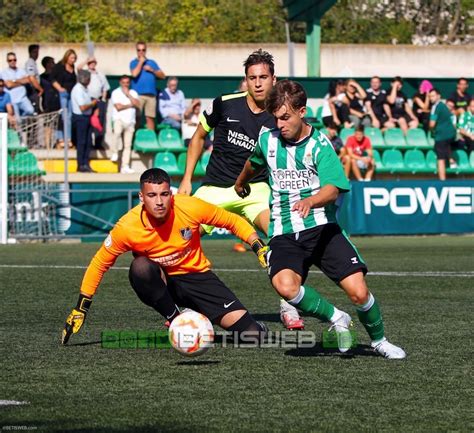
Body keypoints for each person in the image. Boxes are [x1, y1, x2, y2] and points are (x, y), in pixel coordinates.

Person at [235, 80, 406, 359]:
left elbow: (333, 187)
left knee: (359, 293)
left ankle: (379, 341)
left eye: (286, 117)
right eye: (276, 118)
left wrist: (311, 200)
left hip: (322, 228)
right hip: (284, 231)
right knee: (285, 286)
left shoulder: (319, 144)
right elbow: (254, 161)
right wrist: (241, 182)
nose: (280, 124)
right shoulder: (268, 139)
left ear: (302, 112)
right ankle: (337, 317)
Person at [61, 168, 269, 345]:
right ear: (142, 198)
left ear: (171, 194)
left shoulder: (189, 206)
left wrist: (257, 244)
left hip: (198, 277)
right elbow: (100, 263)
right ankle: (176, 319)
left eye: (164, 194)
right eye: (152, 195)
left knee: (253, 336)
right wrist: (81, 307)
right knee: (140, 267)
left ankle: (202, 314)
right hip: (164, 281)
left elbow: (231, 221)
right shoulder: (126, 227)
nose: (159, 201)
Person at [178, 49, 304, 331]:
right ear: (245, 80)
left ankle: (289, 304)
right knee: (180, 238)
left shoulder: (281, 116)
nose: (257, 83)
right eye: (252, 78)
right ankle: (181, 305)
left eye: (263, 77)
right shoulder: (224, 104)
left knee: (282, 235)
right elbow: (198, 137)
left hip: (255, 189)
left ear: (274, 79)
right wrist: (187, 178)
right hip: (213, 188)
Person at [130, 41, 166, 131]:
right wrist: (141, 62)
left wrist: (152, 70)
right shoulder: (133, 62)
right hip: (138, 95)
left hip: (151, 95)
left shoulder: (152, 62)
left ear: (146, 50)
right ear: (136, 51)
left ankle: (151, 139)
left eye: (143, 50)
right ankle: (134, 139)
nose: (141, 52)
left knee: (150, 118)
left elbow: (163, 76)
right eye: (139, 50)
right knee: (137, 118)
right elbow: (134, 74)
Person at [110, 75, 140, 174]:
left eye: (127, 82)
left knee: (128, 145)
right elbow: (118, 107)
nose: (125, 85)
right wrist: (131, 104)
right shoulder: (115, 92)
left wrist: (129, 96)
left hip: (130, 121)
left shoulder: (133, 93)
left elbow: (137, 104)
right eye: (123, 82)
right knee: (117, 134)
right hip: (119, 119)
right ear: (120, 83)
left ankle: (125, 166)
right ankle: (114, 152)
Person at [78, 56, 110, 149]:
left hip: (98, 100)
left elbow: (105, 88)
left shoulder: (100, 74)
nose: (92, 63)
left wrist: (103, 99)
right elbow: (79, 68)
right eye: (90, 62)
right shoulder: (85, 73)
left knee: (99, 122)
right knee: (88, 121)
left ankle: (98, 143)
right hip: (88, 100)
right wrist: (86, 60)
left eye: (93, 62)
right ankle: (88, 142)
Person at [71, 69, 97, 173]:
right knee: (81, 142)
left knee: (88, 141)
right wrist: (93, 104)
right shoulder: (78, 89)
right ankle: (81, 164)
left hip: (86, 117)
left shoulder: (85, 89)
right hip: (80, 118)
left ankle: (86, 163)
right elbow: (82, 107)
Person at [429, 88, 457, 181]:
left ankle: (442, 181)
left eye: (433, 96)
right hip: (451, 134)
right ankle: (451, 160)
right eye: (430, 96)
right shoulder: (444, 106)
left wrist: (431, 130)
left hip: (441, 136)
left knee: (440, 159)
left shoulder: (435, 107)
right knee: (445, 146)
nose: (431, 98)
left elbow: (432, 124)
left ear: (438, 96)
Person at [51, 49, 77, 148]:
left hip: (71, 94)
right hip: (62, 94)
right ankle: (61, 138)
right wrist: (60, 88)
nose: (73, 60)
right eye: (71, 58)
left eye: (74, 58)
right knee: (63, 116)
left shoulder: (73, 67)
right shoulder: (59, 67)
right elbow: (52, 79)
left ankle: (68, 138)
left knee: (69, 116)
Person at [1, 52, 35, 119]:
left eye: (14, 60)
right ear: (7, 61)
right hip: (13, 99)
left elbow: (28, 80)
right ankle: (20, 127)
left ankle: (22, 121)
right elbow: (9, 85)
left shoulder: (22, 71)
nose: (13, 62)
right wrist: (21, 81)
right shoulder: (3, 72)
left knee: (31, 111)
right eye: (10, 60)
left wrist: (13, 81)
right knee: (17, 120)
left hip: (23, 98)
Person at [39, 56, 61, 149]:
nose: (54, 64)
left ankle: (58, 144)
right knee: (48, 126)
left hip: (57, 102)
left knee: (58, 125)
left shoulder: (57, 77)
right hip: (47, 103)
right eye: (52, 62)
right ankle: (48, 146)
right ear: (47, 64)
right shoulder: (42, 78)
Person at [24, 44, 43, 114]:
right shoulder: (30, 63)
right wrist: (40, 89)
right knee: (34, 111)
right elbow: (31, 77)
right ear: (30, 53)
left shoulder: (33, 63)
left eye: (37, 52)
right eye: (34, 52)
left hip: (35, 90)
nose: (36, 54)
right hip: (33, 91)